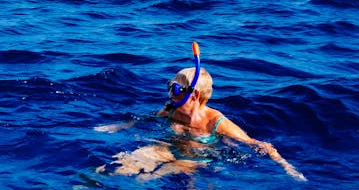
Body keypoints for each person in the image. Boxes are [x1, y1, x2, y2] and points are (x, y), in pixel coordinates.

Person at [96, 43, 306, 182]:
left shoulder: (216, 122)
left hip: (195, 157)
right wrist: (119, 126)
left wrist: (287, 167)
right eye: (170, 86)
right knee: (116, 166)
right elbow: (147, 119)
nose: (170, 94)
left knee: (143, 179)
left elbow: (259, 145)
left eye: (176, 89)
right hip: (166, 147)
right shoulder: (170, 110)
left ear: (194, 95)